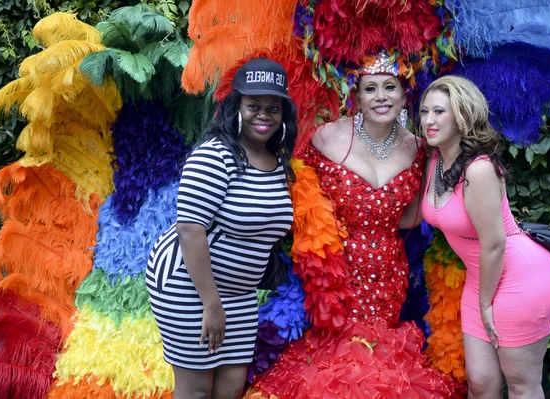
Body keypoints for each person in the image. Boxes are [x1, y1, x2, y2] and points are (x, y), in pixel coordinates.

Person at [246, 51, 465, 398]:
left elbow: (411, 217)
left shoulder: (419, 148)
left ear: (404, 94)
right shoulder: (326, 137)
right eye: (370, 88)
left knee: (379, 365)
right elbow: (294, 190)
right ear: (357, 96)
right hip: (335, 279)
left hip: (388, 277)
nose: (381, 97)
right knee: (332, 365)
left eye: (390, 87)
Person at [145, 58, 297, 399]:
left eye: (273, 108)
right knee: (197, 389)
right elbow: (189, 229)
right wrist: (211, 305)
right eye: (254, 106)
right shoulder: (216, 155)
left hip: (240, 294)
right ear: (236, 106)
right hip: (188, 285)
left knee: (231, 388)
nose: (264, 115)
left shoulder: (277, 162)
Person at [419, 75, 550, 399]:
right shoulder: (436, 159)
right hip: (481, 279)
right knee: (481, 383)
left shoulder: (479, 169)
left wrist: (486, 302)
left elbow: (495, 243)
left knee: (521, 385)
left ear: (462, 115)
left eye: (439, 112)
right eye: (425, 111)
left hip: (521, 279)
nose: (429, 120)